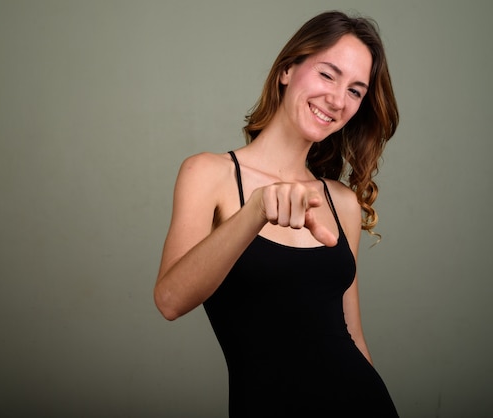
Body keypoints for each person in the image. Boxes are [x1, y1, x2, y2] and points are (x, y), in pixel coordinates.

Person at [154, 10, 400, 417]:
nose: (338, 100)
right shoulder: (209, 174)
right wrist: (255, 212)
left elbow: (352, 336)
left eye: (356, 91)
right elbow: (169, 300)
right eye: (327, 75)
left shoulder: (341, 203)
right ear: (288, 69)